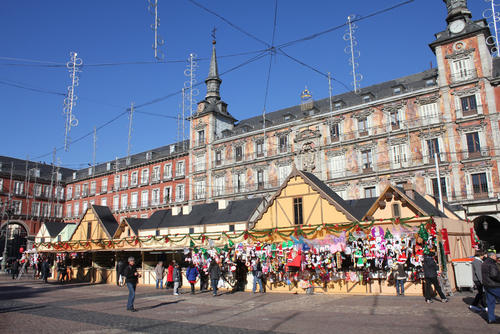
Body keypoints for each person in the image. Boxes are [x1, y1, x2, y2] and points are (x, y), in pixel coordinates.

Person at [481, 249, 500, 324]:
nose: (496, 257)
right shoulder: (491, 264)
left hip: (487, 285)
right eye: (495, 256)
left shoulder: (484, 263)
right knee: (491, 302)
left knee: (490, 302)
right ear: (492, 256)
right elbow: (494, 275)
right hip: (494, 285)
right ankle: (491, 318)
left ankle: (491, 318)